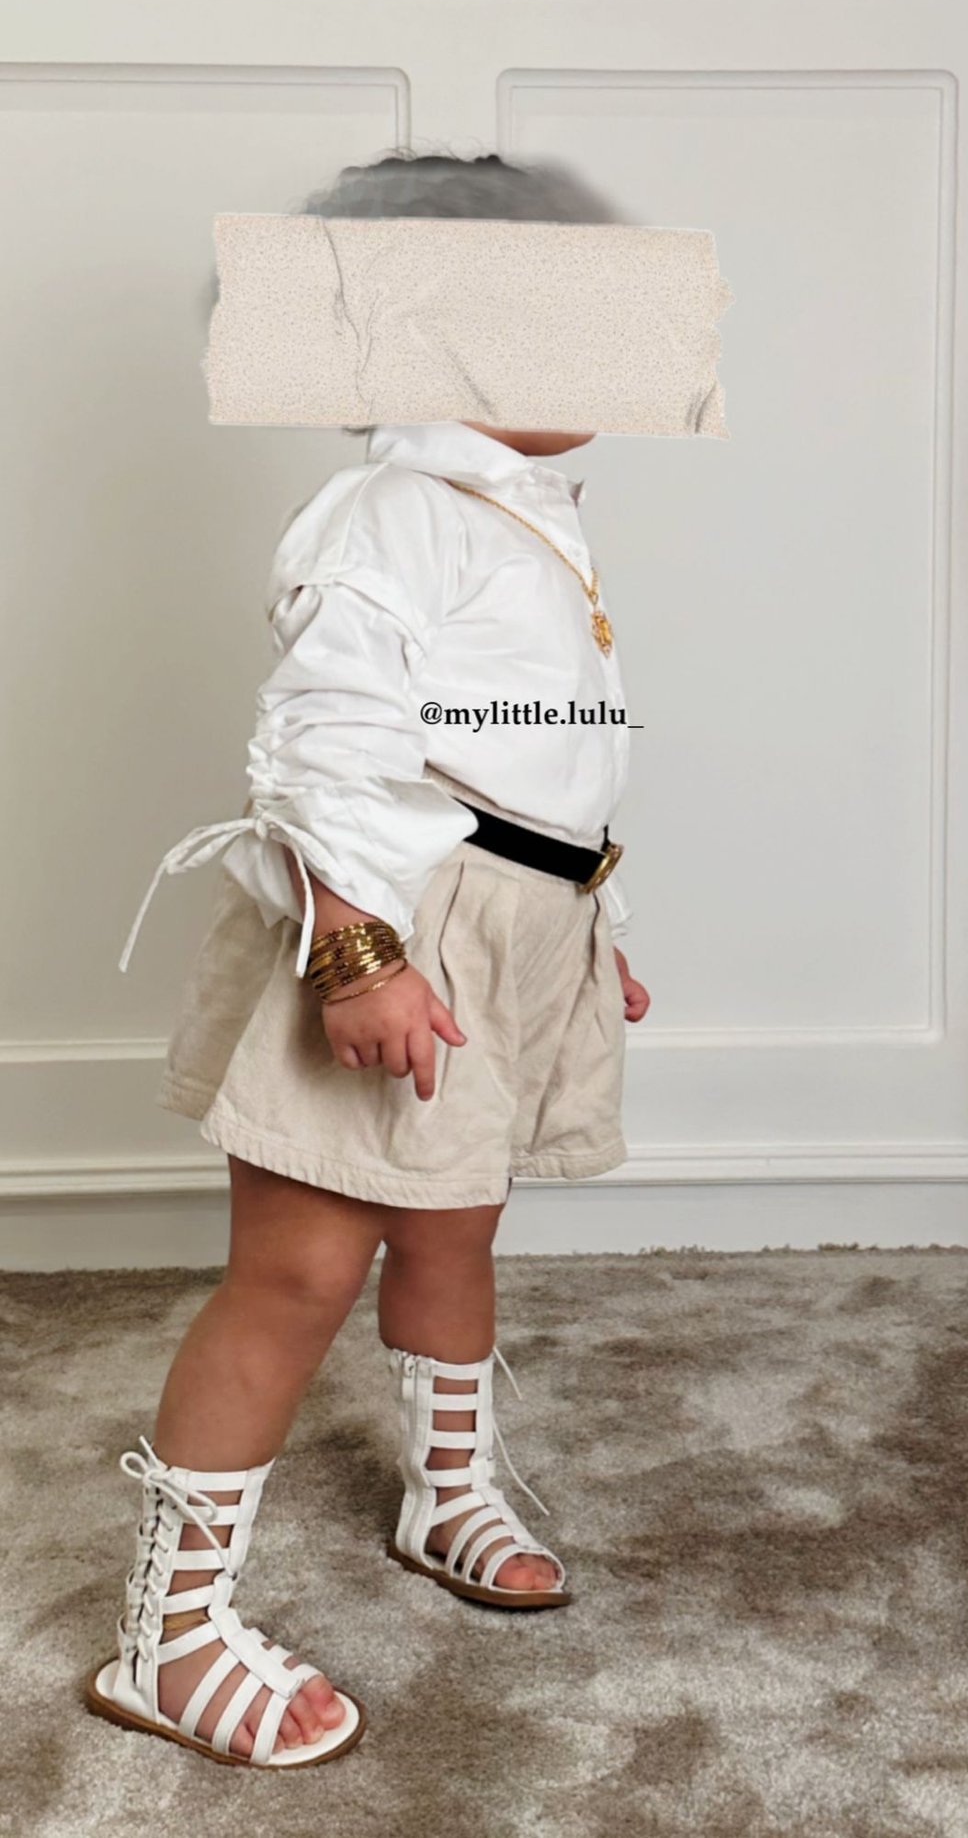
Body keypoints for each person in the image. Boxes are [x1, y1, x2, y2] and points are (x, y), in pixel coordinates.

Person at [86, 150, 649, 1769]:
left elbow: (534, 754)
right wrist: (356, 956)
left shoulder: (522, 509)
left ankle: (444, 1491)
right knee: (300, 1270)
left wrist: (588, 921)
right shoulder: (395, 511)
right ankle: (169, 1635)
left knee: (456, 1224)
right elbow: (328, 740)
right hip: (393, 927)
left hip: (511, 926)